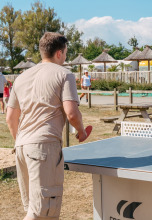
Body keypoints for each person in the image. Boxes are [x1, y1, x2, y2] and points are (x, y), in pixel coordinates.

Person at [6, 32, 87, 220]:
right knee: (42, 212)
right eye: (65, 53)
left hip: (22, 147)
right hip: (44, 148)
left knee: (33, 208)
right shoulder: (65, 74)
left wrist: (22, 142)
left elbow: (10, 118)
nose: (65, 57)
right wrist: (81, 131)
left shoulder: (22, 77)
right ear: (59, 53)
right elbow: (72, 113)